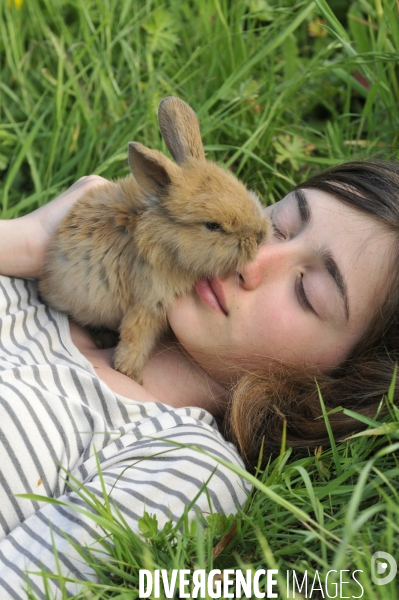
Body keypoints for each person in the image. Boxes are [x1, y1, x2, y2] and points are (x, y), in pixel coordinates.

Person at [0, 160, 397, 598]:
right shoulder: (30, 290)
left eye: (306, 291)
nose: (252, 257)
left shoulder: (182, 461)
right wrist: (30, 240)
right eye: (278, 225)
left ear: (337, 382)